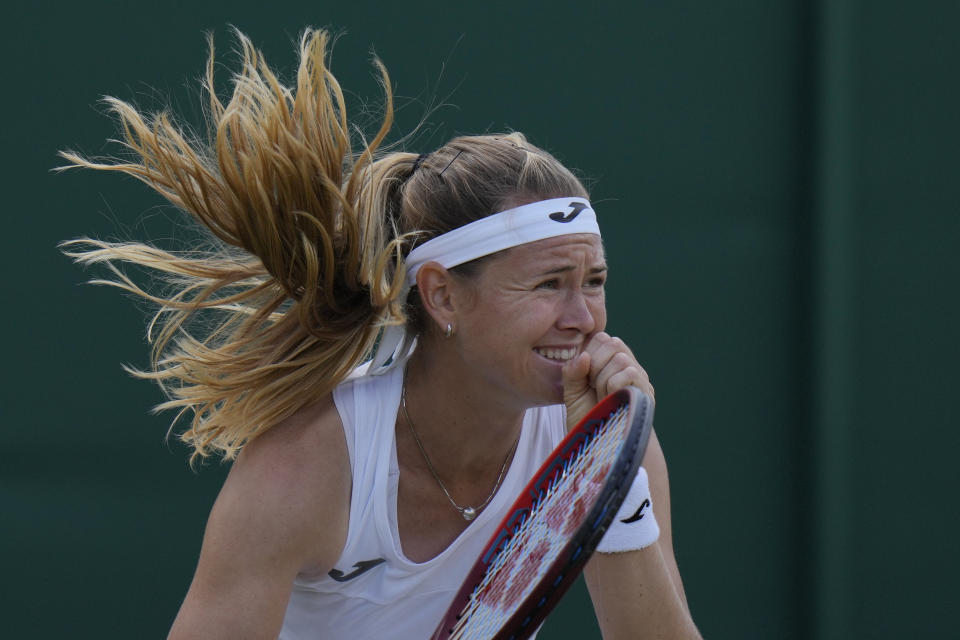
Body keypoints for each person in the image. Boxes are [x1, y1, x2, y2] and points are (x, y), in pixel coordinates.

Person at [62, 28, 700, 639]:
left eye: (594, 281)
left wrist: (609, 479)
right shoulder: (304, 466)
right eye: (548, 284)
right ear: (443, 295)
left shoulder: (612, 439)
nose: (584, 318)